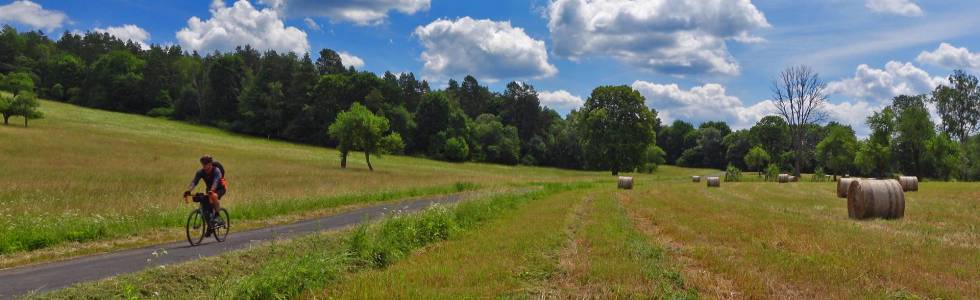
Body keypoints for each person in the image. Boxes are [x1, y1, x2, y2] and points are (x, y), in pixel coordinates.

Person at [184, 155, 227, 225]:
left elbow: (216, 182)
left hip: (220, 188)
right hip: (210, 189)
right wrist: (189, 190)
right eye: (203, 165)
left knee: (214, 196)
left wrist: (212, 190)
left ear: (210, 165)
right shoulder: (201, 172)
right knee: (206, 209)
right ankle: (210, 227)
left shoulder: (216, 171)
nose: (204, 167)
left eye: (205, 165)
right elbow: (194, 182)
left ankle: (217, 216)